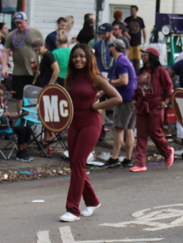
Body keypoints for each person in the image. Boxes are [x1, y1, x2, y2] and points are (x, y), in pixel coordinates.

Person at [61, 44, 122, 221]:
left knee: (78, 162)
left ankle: (72, 209)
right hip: (74, 124)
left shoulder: (95, 78)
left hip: (91, 124)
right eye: (75, 56)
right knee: (75, 164)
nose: (78, 59)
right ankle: (92, 201)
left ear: (88, 58)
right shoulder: (69, 78)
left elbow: (117, 98)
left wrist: (97, 105)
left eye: (82, 56)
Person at [130, 47, 175, 172]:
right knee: (141, 134)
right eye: (142, 54)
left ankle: (167, 152)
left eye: (145, 54)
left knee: (155, 132)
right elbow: (138, 87)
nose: (143, 56)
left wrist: (166, 101)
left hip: (156, 106)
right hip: (142, 106)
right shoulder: (142, 71)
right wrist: (134, 99)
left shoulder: (160, 70)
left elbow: (168, 86)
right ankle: (139, 163)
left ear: (152, 56)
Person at [103, 40, 137, 168]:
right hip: (133, 97)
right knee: (129, 129)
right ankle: (128, 158)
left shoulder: (120, 62)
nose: (109, 49)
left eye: (110, 47)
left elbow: (124, 80)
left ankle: (115, 157)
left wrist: (109, 82)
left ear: (113, 47)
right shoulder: (125, 60)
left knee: (119, 129)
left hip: (125, 98)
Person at [0, 84, 34, 162]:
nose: (1, 98)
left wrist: (23, 114)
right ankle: (20, 154)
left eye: (2, 96)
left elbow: (10, 116)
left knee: (28, 129)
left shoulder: (1, 105)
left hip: (6, 126)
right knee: (21, 130)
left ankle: (23, 151)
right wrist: (0, 116)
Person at [3, 12, 45, 111]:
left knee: (34, 96)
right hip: (18, 72)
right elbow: (6, 52)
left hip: (33, 71)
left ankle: (33, 114)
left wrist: (42, 67)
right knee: (19, 96)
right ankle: (20, 115)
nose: (19, 25)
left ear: (26, 21)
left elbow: (43, 50)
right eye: (16, 23)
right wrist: (4, 67)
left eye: (21, 23)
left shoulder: (36, 33)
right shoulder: (11, 35)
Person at [124, 6, 146, 70]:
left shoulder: (140, 20)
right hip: (129, 43)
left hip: (137, 43)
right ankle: (130, 71)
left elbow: (143, 30)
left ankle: (137, 72)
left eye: (133, 11)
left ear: (136, 11)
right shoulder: (127, 20)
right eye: (131, 11)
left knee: (137, 59)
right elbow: (123, 30)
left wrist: (144, 41)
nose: (132, 12)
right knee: (129, 59)